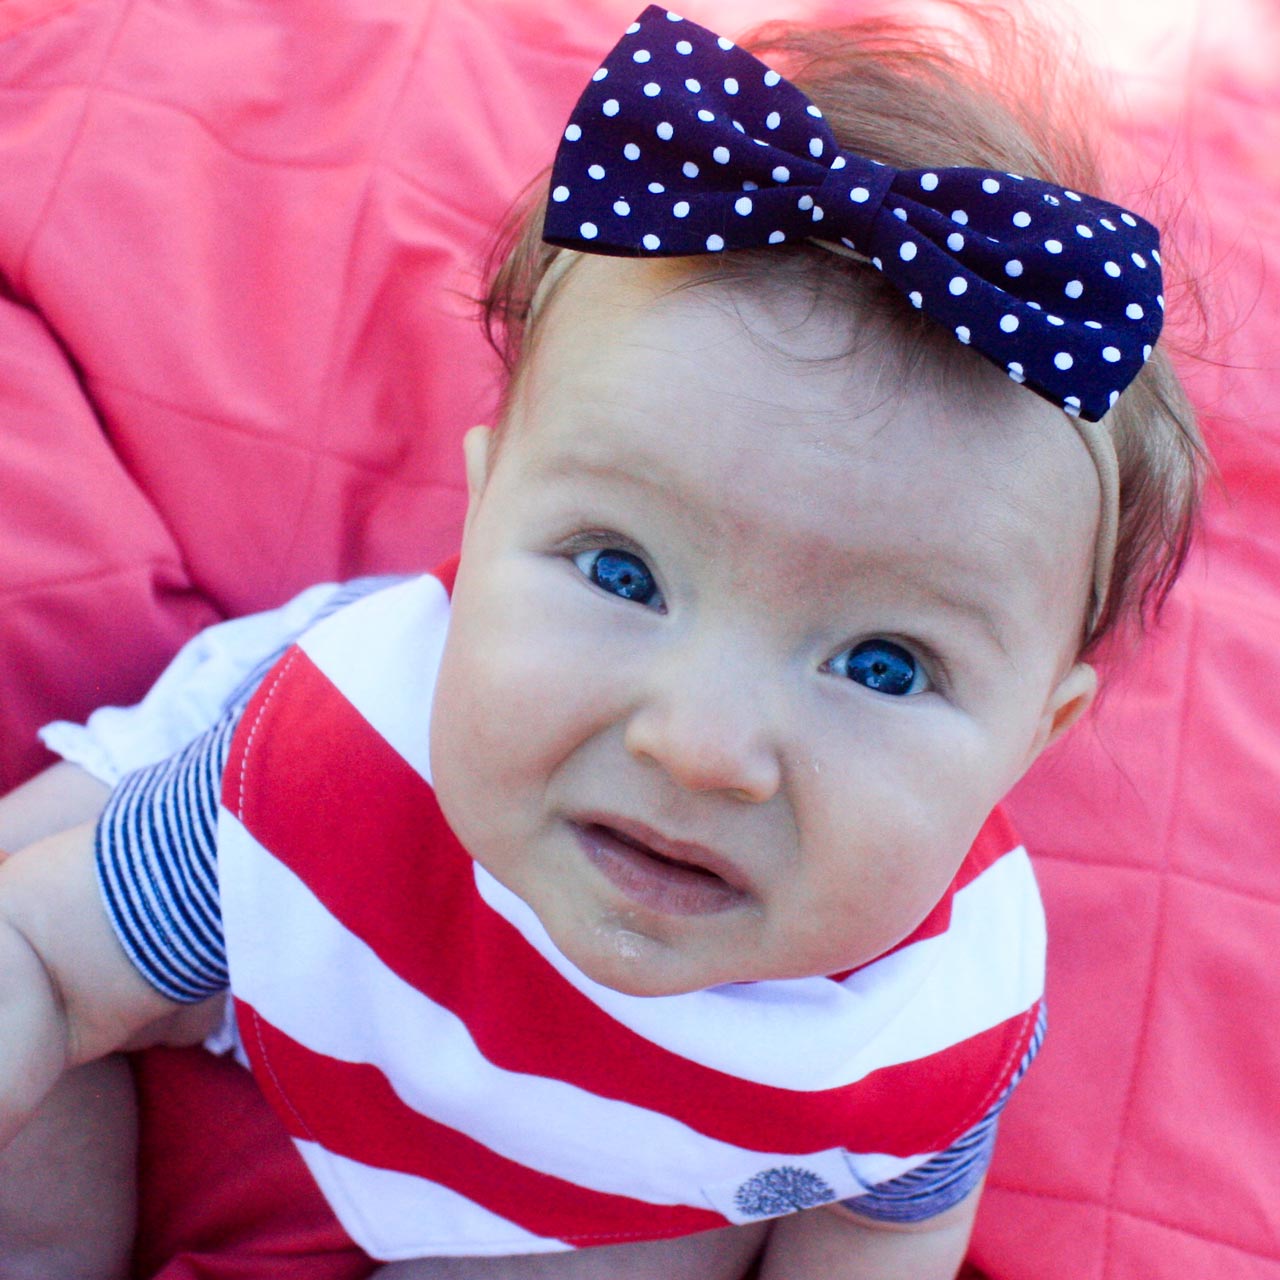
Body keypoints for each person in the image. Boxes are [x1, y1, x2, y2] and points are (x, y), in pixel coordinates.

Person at [0, 5, 1203, 1278]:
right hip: (313, 870)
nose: (699, 748)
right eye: (621, 572)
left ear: (1033, 734)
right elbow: (45, 956)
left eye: (882, 665)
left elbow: (869, 1221)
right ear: (478, 515)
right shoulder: (314, 764)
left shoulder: (929, 1021)